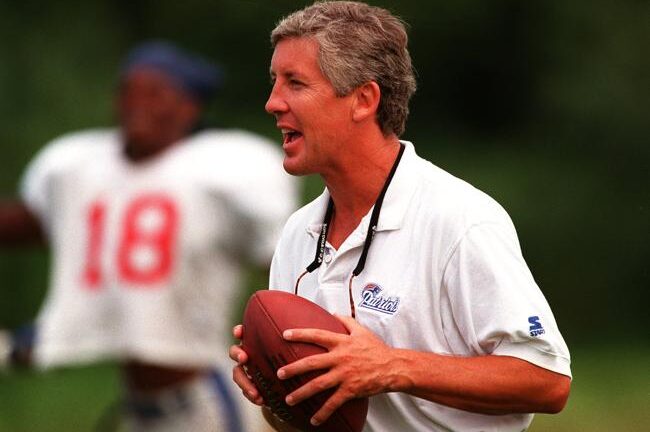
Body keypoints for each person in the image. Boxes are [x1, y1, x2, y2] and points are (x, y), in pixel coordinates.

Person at [229, 2, 572, 431]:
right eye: (274, 81)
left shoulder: (461, 220)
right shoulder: (299, 231)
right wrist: (275, 391)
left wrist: (391, 366)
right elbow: (307, 419)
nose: (272, 103)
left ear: (363, 99)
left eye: (295, 83)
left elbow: (548, 380)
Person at [0, 40, 298, 431]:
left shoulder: (222, 169)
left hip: (205, 397)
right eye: (128, 90)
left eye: (156, 92)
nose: (137, 103)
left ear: (189, 106)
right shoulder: (80, 167)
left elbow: (285, 268)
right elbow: (36, 225)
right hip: (139, 405)